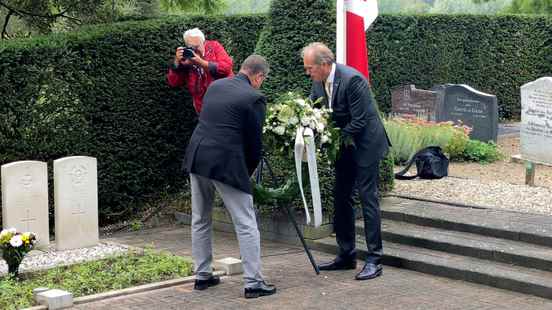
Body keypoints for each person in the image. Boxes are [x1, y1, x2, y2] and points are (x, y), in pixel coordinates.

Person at [183, 55, 276, 298]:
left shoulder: (217, 85)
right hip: (225, 162)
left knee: (200, 218)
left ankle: (202, 276)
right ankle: (253, 283)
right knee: (246, 223)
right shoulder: (255, 98)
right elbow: (254, 146)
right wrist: (248, 172)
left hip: (197, 155)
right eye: (262, 80)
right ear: (258, 76)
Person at [301, 42, 391, 280]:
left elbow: (360, 121)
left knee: (367, 198)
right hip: (344, 145)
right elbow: (314, 112)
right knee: (341, 197)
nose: (307, 73)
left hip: (366, 144)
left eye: (310, 68)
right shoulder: (318, 82)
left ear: (324, 64)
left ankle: (375, 259)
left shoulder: (353, 80)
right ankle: (346, 255)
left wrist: (331, 137)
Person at [167, 28, 234, 114]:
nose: (195, 50)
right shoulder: (186, 58)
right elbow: (174, 83)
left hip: (226, 102)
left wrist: (200, 62)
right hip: (203, 109)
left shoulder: (214, 47)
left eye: (197, 46)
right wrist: (177, 64)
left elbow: (226, 68)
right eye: (191, 47)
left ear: (204, 42)